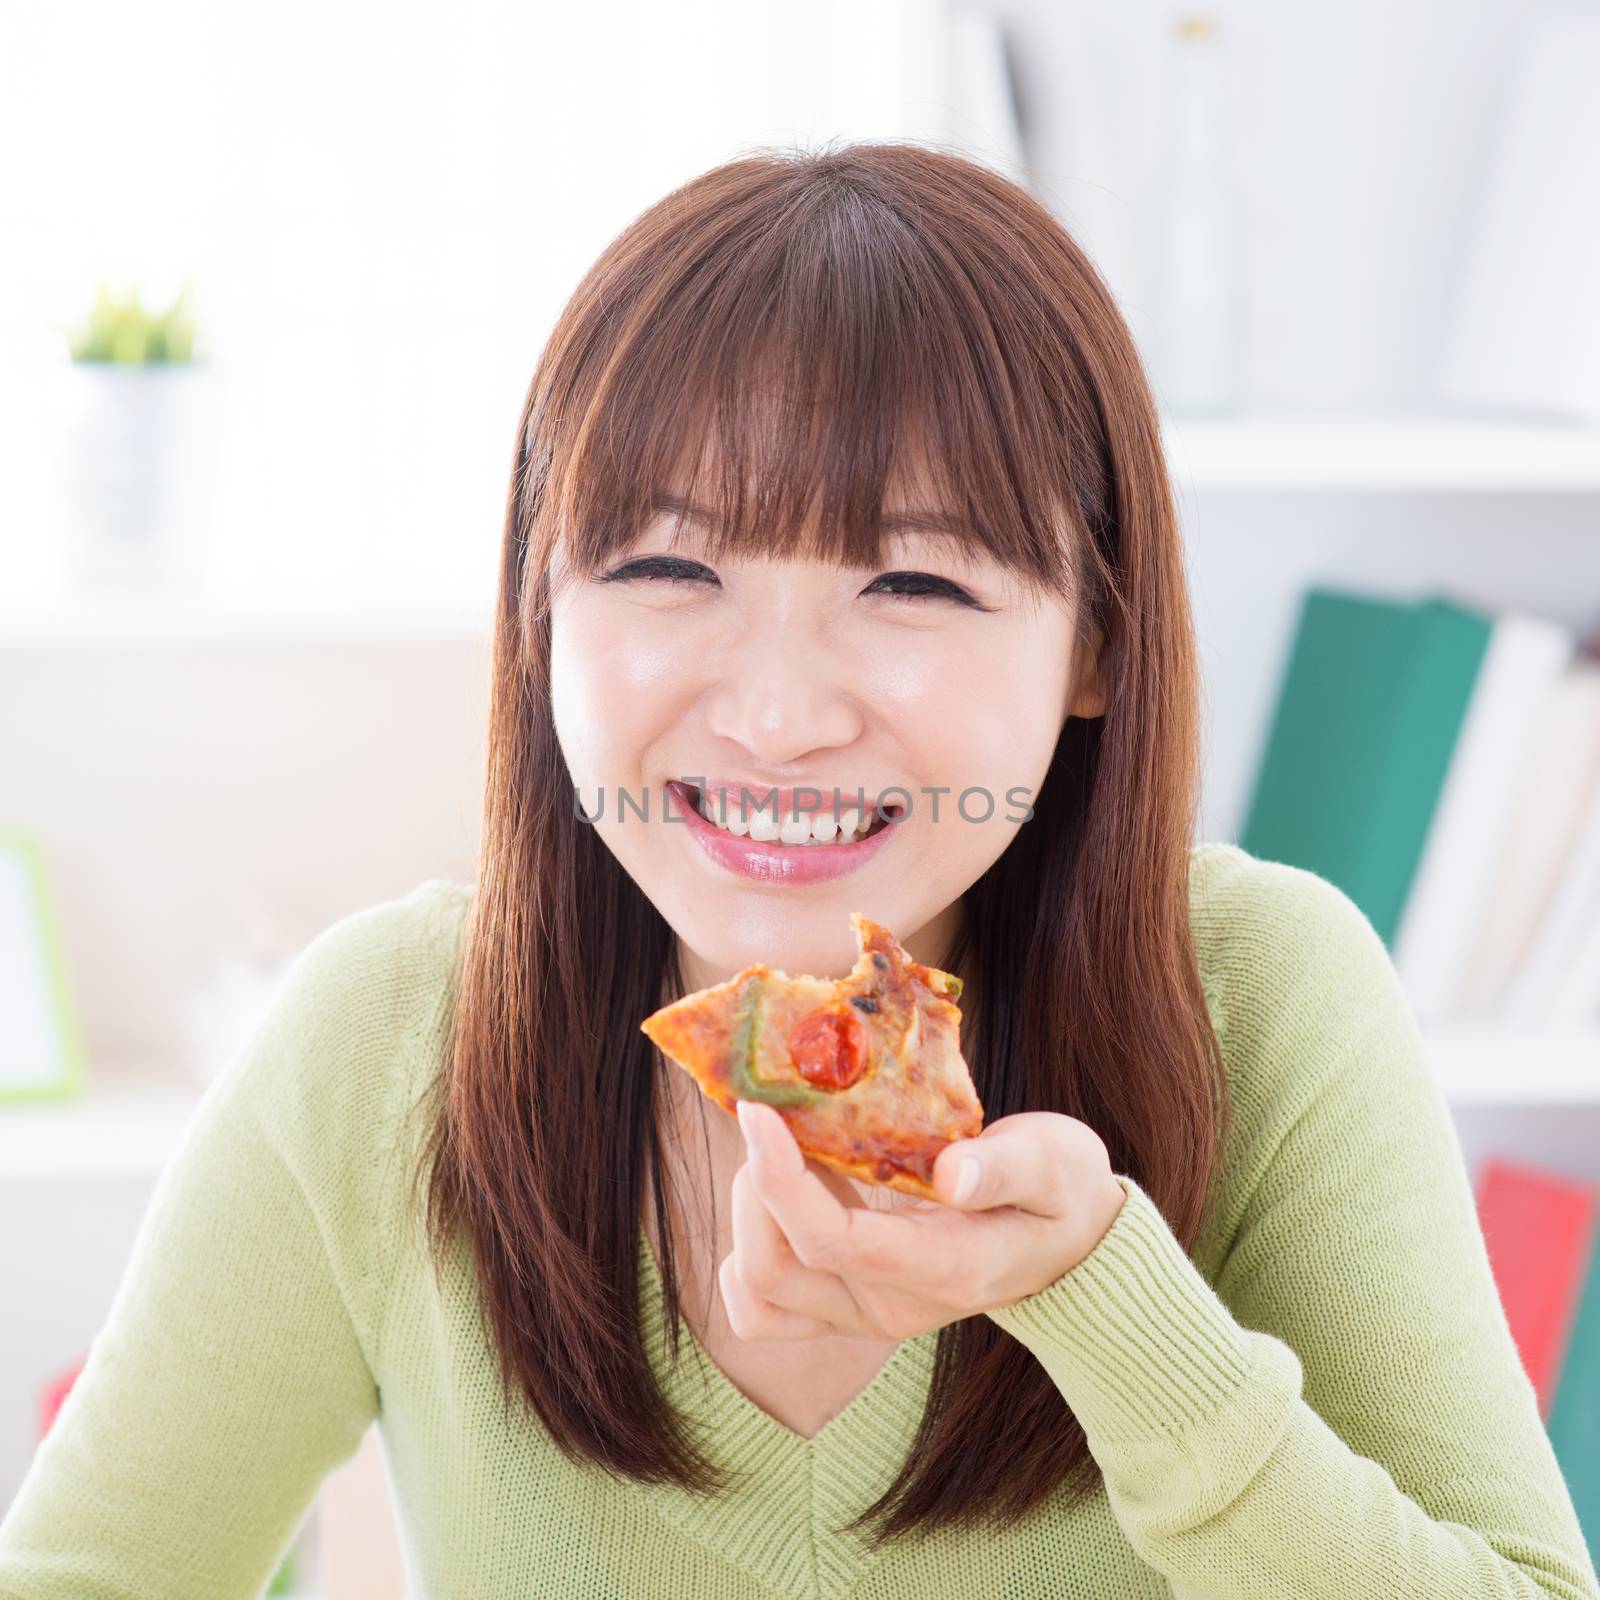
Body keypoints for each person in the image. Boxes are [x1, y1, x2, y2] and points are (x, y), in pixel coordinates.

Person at [2, 141, 1595, 1600]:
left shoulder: (1261, 1000)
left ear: (1096, 640)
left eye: (909, 579)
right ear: (542, 606)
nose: (774, 715)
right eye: (670, 567)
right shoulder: (387, 1037)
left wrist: (1104, 1296)